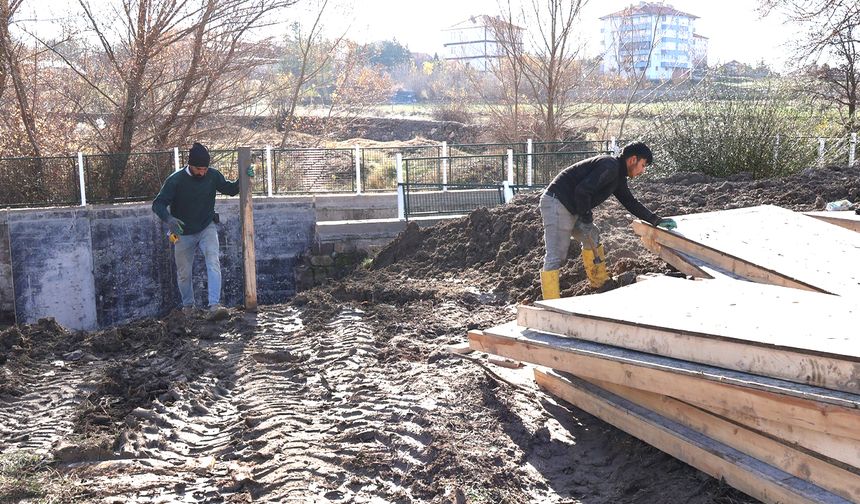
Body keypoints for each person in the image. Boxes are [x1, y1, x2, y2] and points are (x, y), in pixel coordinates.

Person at [539, 141, 676, 298]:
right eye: (643, 165)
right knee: (557, 254)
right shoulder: (609, 166)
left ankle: (599, 282)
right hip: (558, 202)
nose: (642, 171)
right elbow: (582, 191)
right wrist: (586, 218)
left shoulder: (617, 176)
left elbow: (630, 202)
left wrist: (655, 220)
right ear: (633, 160)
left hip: (572, 205)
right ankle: (551, 301)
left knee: (593, 235)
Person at [152, 142, 254, 317]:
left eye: (205, 169)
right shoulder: (175, 180)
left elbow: (230, 189)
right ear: (190, 165)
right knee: (184, 272)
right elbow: (158, 204)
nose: (202, 172)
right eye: (199, 169)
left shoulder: (212, 175)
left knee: (213, 262)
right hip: (182, 232)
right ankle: (188, 307)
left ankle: (214, 306)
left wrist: (244, 178)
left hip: (206, 226)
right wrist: (169, 219)